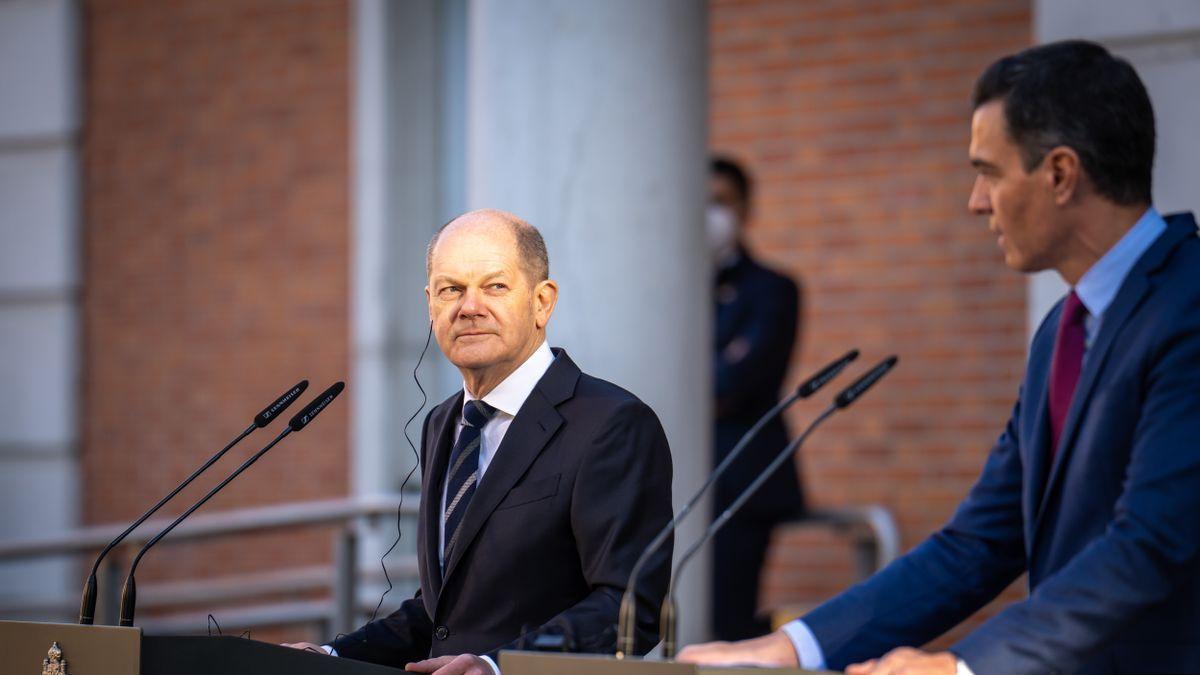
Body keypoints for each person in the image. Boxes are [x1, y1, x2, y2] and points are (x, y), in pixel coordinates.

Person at [680, 40, 1200, 675]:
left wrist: (962, 667)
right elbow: (978, 542)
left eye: (990, 172)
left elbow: (1152, 542)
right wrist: (792, 648)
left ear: (1060, 175)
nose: (976, 201)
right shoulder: (1062, 331)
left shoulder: (1188, 304)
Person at [285, 209, 674, 674]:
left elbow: (629, 607)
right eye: (451, 289)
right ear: (430, 304)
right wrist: (331, 656)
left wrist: (497, 666)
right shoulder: (444, 424)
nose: (469, 307)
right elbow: (444, 616)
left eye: (495, 286)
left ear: (542, 302)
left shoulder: (611, 423)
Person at [708, 156, 805, 641]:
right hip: (672, 483)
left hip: (739, 484)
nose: (710, 215)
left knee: (725, 624)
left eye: (721, 202)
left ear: (745, 209)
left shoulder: (772, 289)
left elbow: (737, 382)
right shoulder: (665, 289)